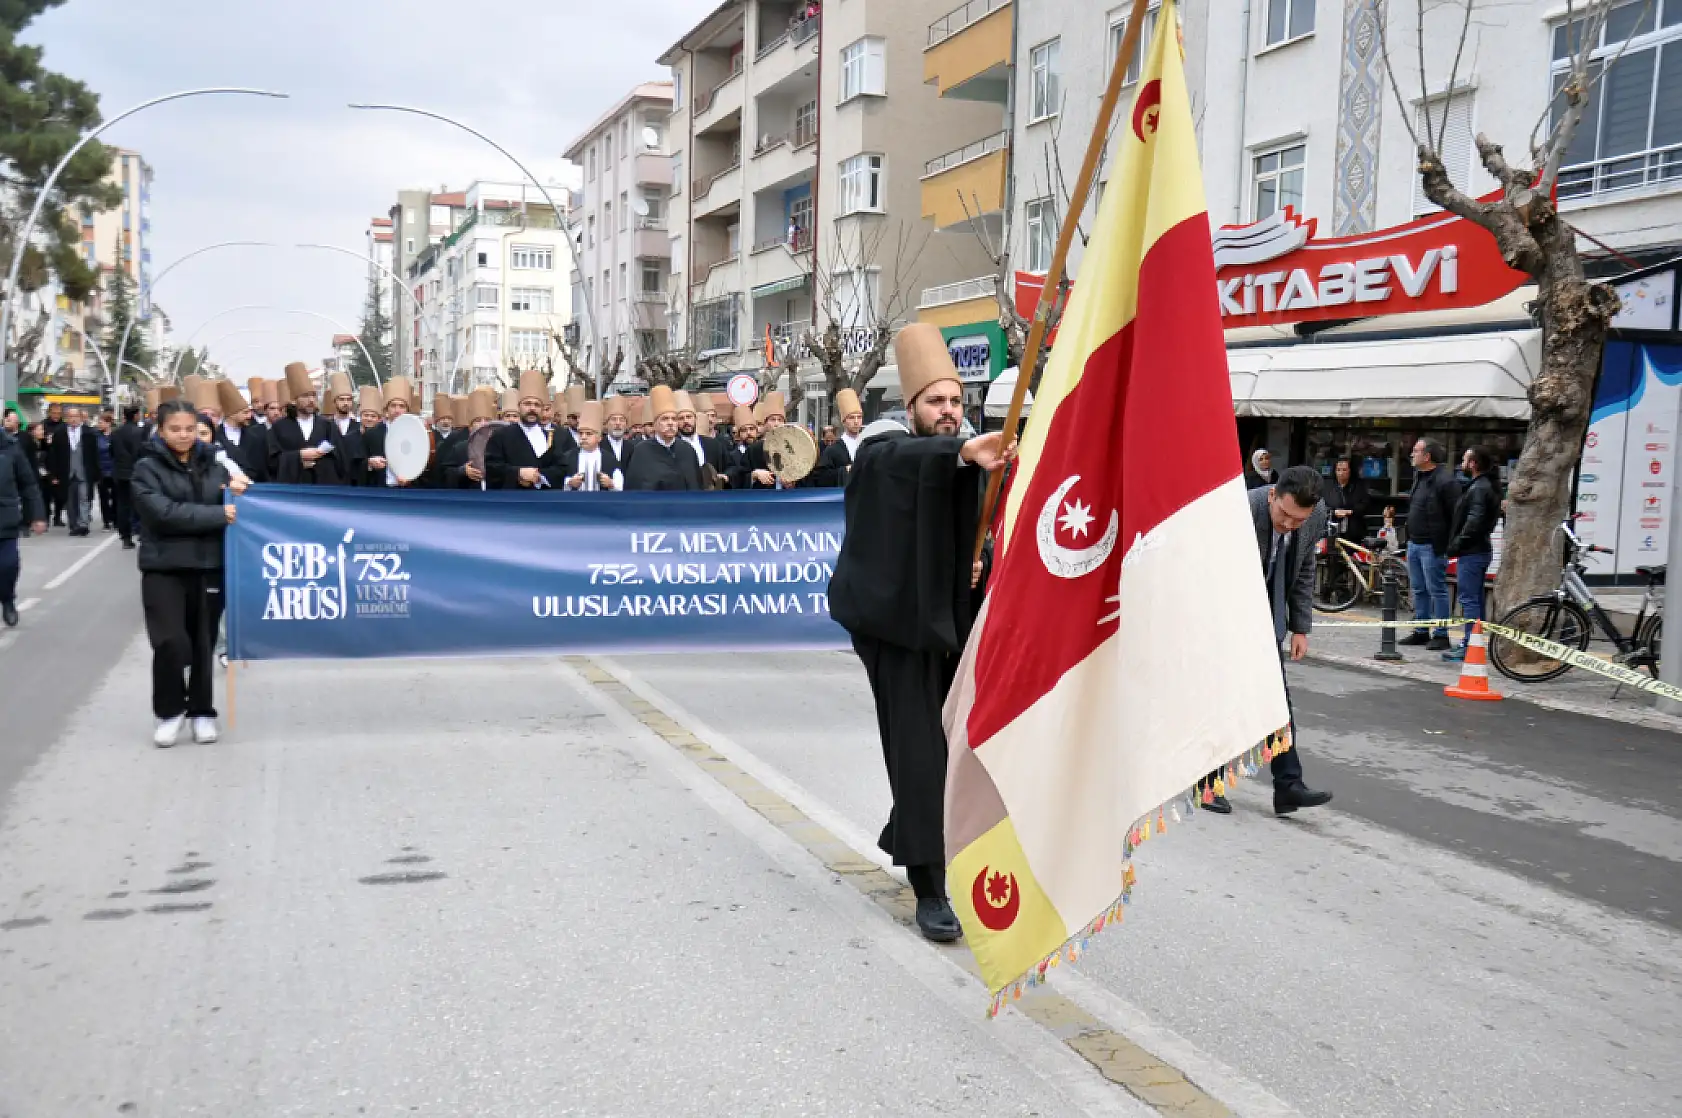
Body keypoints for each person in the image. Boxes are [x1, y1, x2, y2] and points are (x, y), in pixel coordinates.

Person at [829, 324, 1012, 942]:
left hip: (948, 629)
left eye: (957, 402)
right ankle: (930, 890)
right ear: (910, 407)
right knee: (918, 755)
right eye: (937, 402)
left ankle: (913, 829)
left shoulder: (968, 463)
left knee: (949, 755)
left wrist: (977, 560)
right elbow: (902, 466)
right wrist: (962, 452)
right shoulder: (884, 454)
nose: (949, 413)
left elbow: (964, 546)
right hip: (895, 631)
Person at [1201, 466, 1335, 816]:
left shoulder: (1315, 515)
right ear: (1272, 494)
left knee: (1276, 700)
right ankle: (1207, 782)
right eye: (1284, 515)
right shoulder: (1239, 511)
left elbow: (1305, 569)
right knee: (1222, 702)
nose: (1289, 525)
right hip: (1222, 613)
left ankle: (1288, 786)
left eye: (1298, 520)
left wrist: (1301, 627)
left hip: (1267, 612)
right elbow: (1208, 572)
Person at [131, 398, 237, 748]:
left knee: (203, 644)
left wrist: (240, 493)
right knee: (170, 642)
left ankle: (202, 712)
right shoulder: (146, 469)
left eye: (190, 429)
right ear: (160, 431)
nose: (183, 435)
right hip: (164, 568)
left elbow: (234, 500)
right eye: (175, 429)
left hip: (209, 566)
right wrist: (218, 515)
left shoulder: (215, 467)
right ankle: (170, 712)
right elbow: (163, 514)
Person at [1396, 438, 1459, 651]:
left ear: (1427, 456)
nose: (1412, 454)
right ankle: (1421, 630)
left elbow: (1455, 515)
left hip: (1433, 545)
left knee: (1437, 590)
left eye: (1416, 451)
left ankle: (1441, 633)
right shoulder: (1419, 477)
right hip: (1415, 543)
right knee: (1419, 589)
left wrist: (1446, 543)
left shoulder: (1445, 481)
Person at [1444, 446, 1499, 661]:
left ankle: (1469, 643)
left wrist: (1456, 544)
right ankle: (1473, 641)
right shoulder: (1483, 486)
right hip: (1478, 550)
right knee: (1474, 599)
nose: (1462, 463)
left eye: (1465, 459)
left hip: (1472, 552)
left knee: (1469, 599)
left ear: (1474, 464)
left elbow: (1474, 521)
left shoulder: (1478, 488)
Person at [267, 362, 351, 485]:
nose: (311, 400)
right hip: (293, 492)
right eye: (305, 396)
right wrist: (298, 457)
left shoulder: (327, 426)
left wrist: (318, 461)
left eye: (313, 396)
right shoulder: (279, 427)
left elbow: (341, 462)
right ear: (294, 400)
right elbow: (272, 462)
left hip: (322, 491)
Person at [484, 371, 568, 490]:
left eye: (537, 405)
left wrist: (540, 476)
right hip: (512, 502)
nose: (532, 408)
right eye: (527, 404)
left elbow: (560, 469)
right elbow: (491, 468)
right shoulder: (501, 435)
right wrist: (518, 473)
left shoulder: (549, 436)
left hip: (542, 502)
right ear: (519, 406)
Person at [1, 414, 47, 627]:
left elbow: (28, 483)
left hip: (5, 518)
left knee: (8, 565)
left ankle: (7, 599)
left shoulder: (10, 447)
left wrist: (37, 515)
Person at [623, 385, 703, 492]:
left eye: (674, 419)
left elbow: (696, 485)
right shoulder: (641, 451)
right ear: (655, 425)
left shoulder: (687, 450)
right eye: (665, 419)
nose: (670, 423)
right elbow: (636, 487)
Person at [46, 406, 101, 536]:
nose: (73, 419)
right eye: (70, 417)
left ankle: (83, 524)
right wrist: (54, 474)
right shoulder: (60, 433)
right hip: (67, 472)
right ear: (66, 418)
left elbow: (94, 454)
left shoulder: (89, 433)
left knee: (84, 498)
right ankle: (74, 524)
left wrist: (97, 473)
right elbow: (54, 455)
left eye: (75, 416)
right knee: (70, 500)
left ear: (80, 417)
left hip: (84, 471)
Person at [214, 379, 269, 484]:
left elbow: (263, 471)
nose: (250, 416)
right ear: (232, 413)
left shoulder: (256, 437)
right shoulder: (215, 436)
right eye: (245, 412)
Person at [560, 400, 622, 491]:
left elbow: (620, 486)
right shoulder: (568, 457)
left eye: (588, 434)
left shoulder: (610, 459)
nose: (583, 437)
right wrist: (569, 483)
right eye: (581, 433)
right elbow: (557, 481)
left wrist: (611, 483)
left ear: (599, 438)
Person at [813, 389, 865, 487]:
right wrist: (845, 471)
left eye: (859, 417)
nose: (856, 421)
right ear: (844, 421)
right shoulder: (832, 450)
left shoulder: (868, 444)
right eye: (852, 418)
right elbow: (821, 478)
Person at [1324, 455, 1368, 542]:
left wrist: (1350, 511)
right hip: (1332, 531)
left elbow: (1365, 505)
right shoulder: (1327, 488)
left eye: (1344, 470)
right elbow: (1321, 506)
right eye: (1338, 470)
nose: (1341, 473)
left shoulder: (1359, 487)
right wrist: (1333, 512)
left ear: (1350, 471)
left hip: (1354, 532)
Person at [94, 412, 116, 531]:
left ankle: (115, 518)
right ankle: (106, 521)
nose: (99, 424)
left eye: (101, 422)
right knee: (103, 497)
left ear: (108, 423)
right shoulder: (96, 436)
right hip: (101, 470)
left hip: (114, 470)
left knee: (116, 496)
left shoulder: (115, 436)